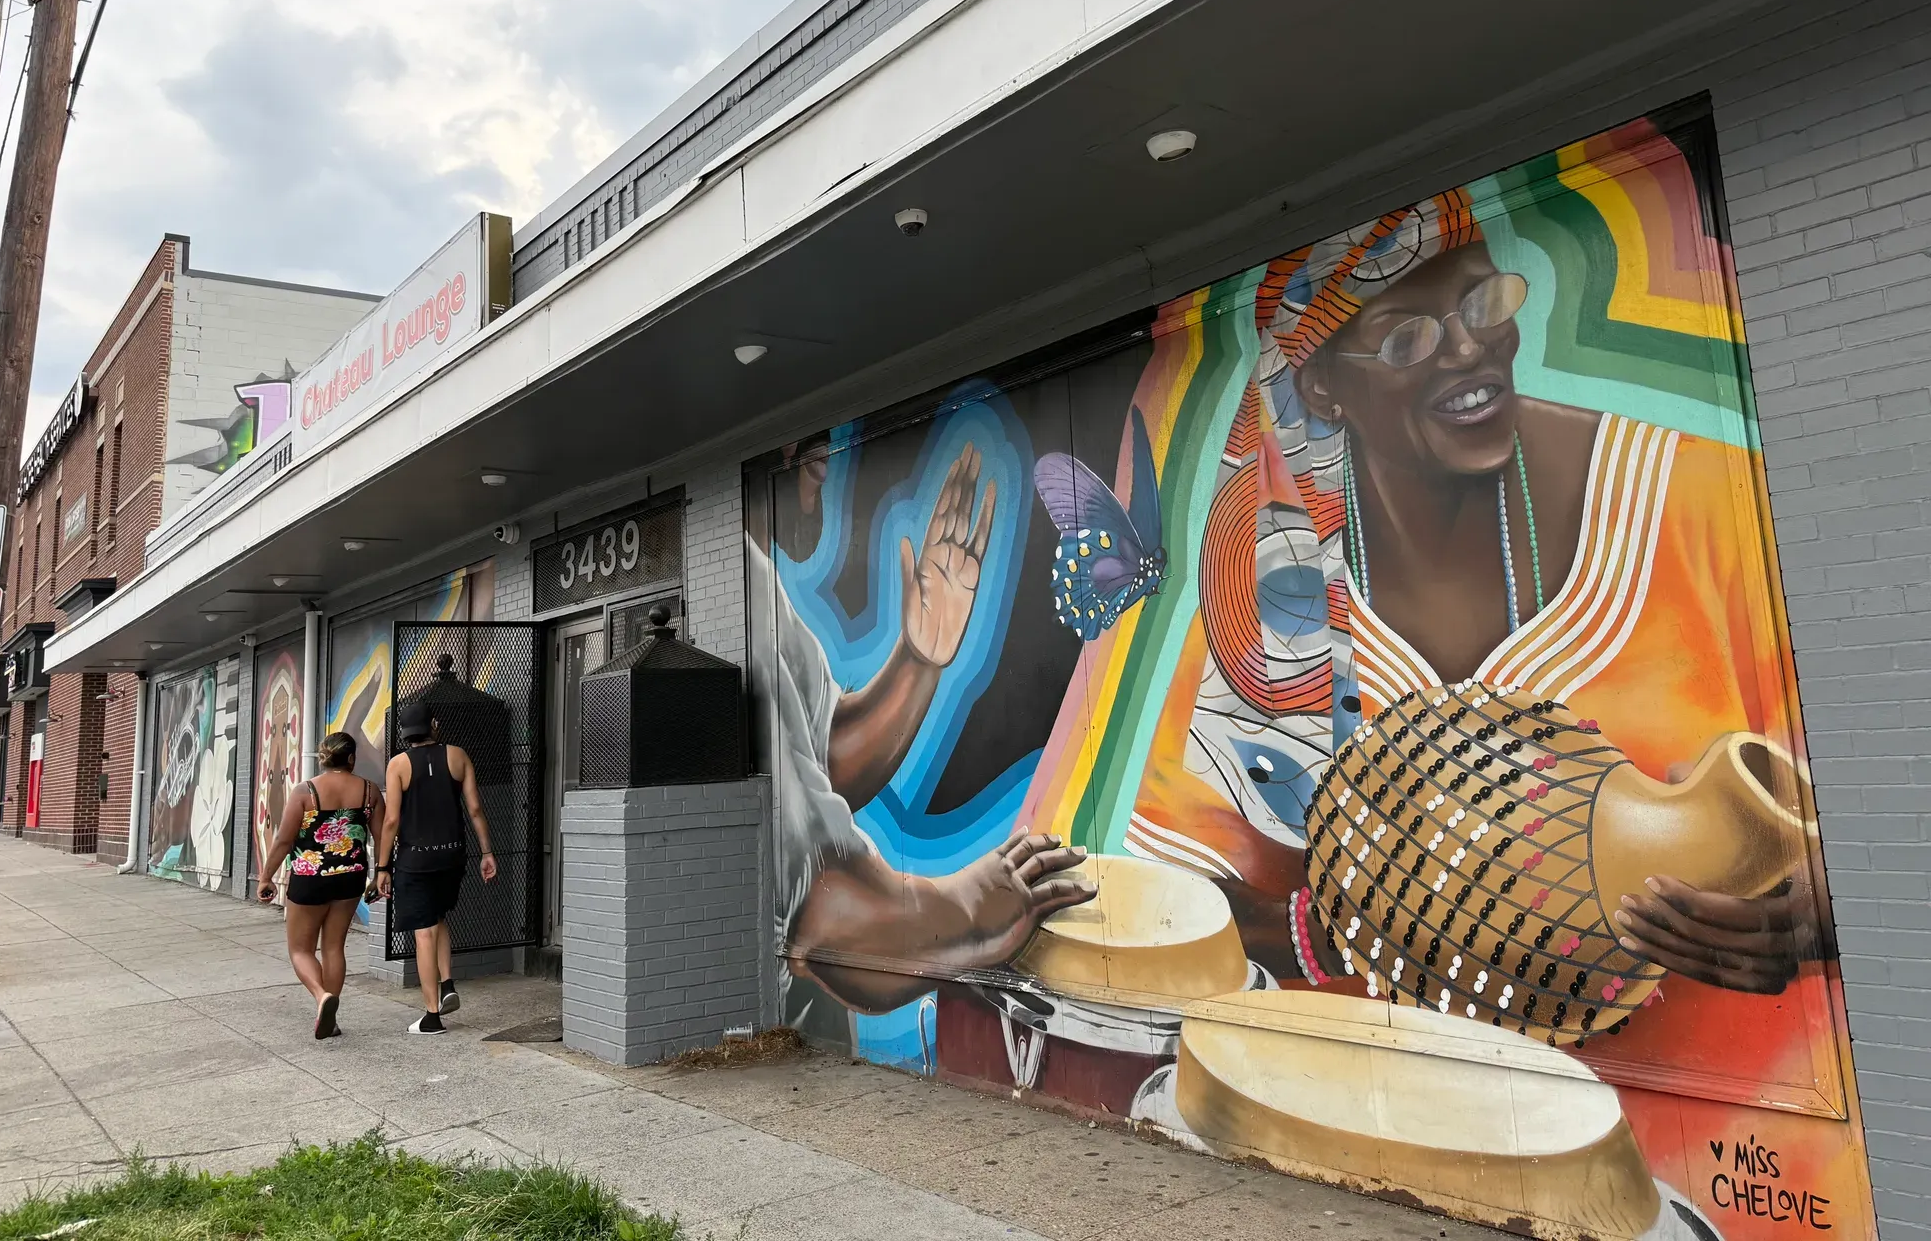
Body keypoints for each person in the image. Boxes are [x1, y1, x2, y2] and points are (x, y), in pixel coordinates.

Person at [1134, 189, 1818, 1018]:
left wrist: (1819, 911)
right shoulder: (1273, 598)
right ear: (1321, 387)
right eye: (1407, 337)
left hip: (1733, 1093)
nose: (1468, 347)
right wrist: (1354, 928)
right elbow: (1184, 887)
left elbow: (1863, 780)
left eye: (1483, 302)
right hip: (1388, 1087)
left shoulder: (1695, 499)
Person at [756, 436, 1094, 1028]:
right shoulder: (744, 603)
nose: (822, 470)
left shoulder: (757, 591)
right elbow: (828, 915)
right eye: (813, 451)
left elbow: (817, 757)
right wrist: (967, 909)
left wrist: (917, 661)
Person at [375, 701, 497, 1035]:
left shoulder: (398, 764)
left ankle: (431, 1016)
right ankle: (447, 984)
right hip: (452, 856)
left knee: (424, 931)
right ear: (434, 725)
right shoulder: (458, 756)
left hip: (416, 860)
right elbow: (475, 808)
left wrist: (383, 866)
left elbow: (391, 820)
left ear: (404, 732)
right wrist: (487, 852)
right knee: (439, 917)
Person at [257, 731, 382, 1039]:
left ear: (323, 758)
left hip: (309, 878)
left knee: (300, 950)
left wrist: (266, 876)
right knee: (334, 947)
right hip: (350, 877)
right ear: (351, 758)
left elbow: (283, 839)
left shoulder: (306, 791)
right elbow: (382, 837)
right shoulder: (369, 791)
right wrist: (382, 872)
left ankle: (321, 996)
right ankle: (331, 1019)